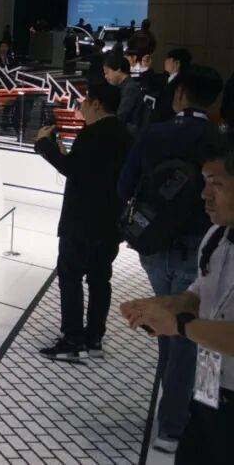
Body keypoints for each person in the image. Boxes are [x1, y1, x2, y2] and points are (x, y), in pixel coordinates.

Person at [117, 65, 226, 453]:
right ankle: (173, 424)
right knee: (185, 336)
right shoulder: (217, 140)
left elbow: (124, 186)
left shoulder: (154, 132)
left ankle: (171, 409)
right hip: (199, 250)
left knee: (170, 330)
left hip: (153, 247)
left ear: (179, 94)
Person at [34, 82, 131, 362]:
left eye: (86, 101)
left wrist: (44, 145)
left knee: (71, 277)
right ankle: (94, 338)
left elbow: (73, 169)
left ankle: (72, 339)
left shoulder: (92, 134)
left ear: (97, 103)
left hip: (81, 221)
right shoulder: (126, 135)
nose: (82, 105)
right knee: (100, 279)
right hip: (110, 222)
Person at [104, 53, 148, 139]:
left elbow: (121, 115)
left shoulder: (130, 88)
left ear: (118, 70)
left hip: (130, 135)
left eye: (107, 72)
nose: (106, 76)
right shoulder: (124, 86)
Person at [154, 48, 192, 124]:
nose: (165, 62)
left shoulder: (180, 83)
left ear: (176, 63)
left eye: (168, 59)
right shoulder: (164, 78)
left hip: (168, 122)